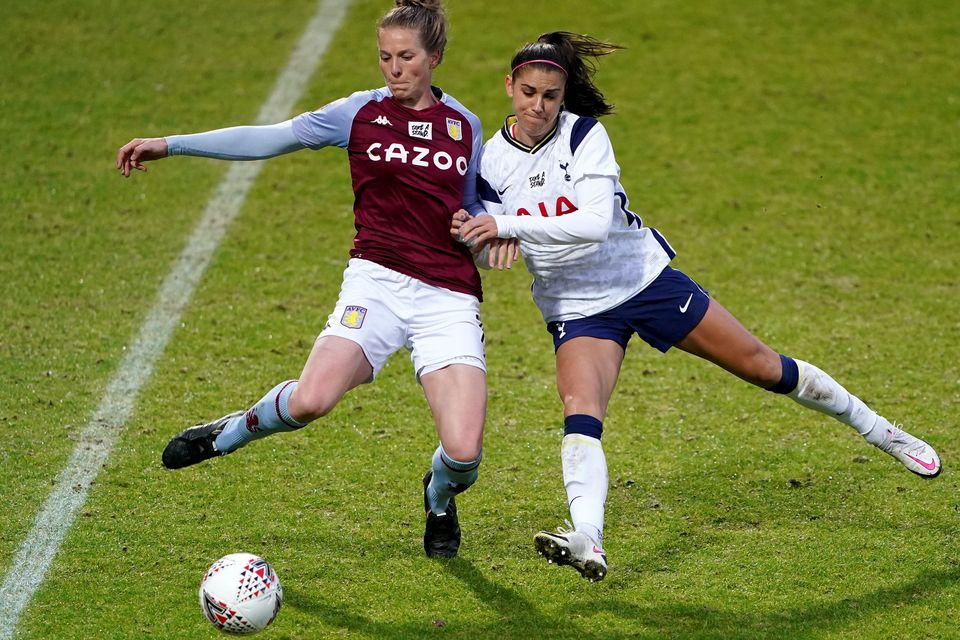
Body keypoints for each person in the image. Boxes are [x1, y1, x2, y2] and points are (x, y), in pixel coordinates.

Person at [454, 31, 942, 582]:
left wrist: (510, 224)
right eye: (528, 93)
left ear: (564, 94)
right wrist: (476, 234)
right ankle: (588, 538)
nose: (538, 105)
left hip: (642, 280)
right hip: (577, 306)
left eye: (549, 94)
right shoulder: (489, 162)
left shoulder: (585, 136)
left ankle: (881, 431)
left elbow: (591, 226)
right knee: (580, 414)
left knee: (764, 366)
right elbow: (489, 231)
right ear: (508, 87)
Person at [116, 0, 488, 559]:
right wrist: (173, 144)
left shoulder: (465, 126)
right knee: (311, 400)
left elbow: (472, 207)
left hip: (446, 294)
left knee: (463, 453)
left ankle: (438, 498)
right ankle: (229, 432)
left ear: (434, 57)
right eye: (385, 57)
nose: (394, 69)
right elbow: (272, 136)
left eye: (407, 57)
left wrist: (481, 229)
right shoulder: (358, 114)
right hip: (377, 280)